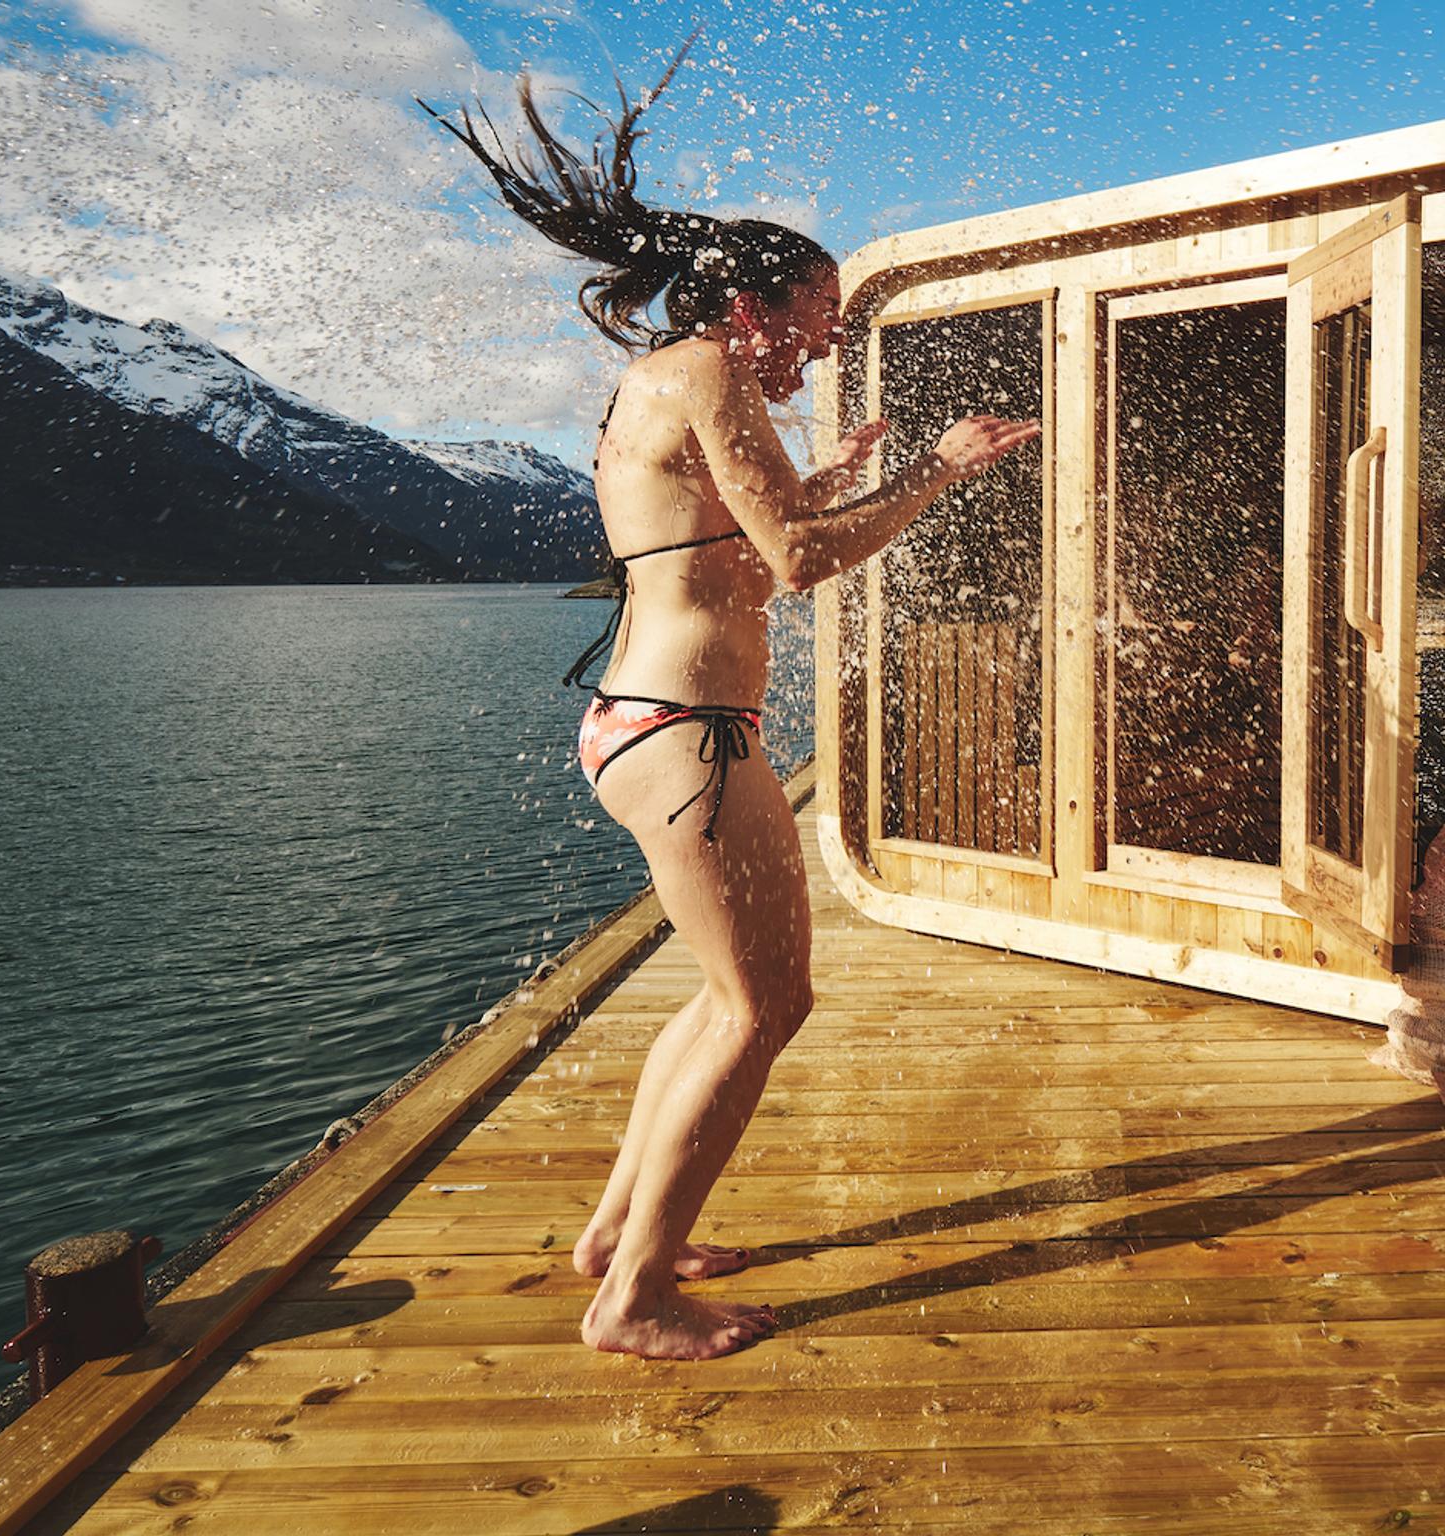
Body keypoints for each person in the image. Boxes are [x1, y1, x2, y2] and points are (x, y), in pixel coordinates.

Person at [418, 45, 1041, 1359]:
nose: (827, 342)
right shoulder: (705, 371)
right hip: (683, 734)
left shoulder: (677, 379)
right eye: (817, 317)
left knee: (720, 1001)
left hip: (660, 722)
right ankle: (635, 1299)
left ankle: (616, 1237)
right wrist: (934, 470)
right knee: (764, 1009)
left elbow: (740, 532)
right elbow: (797, 563)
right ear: (749, 306)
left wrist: (835, 472)